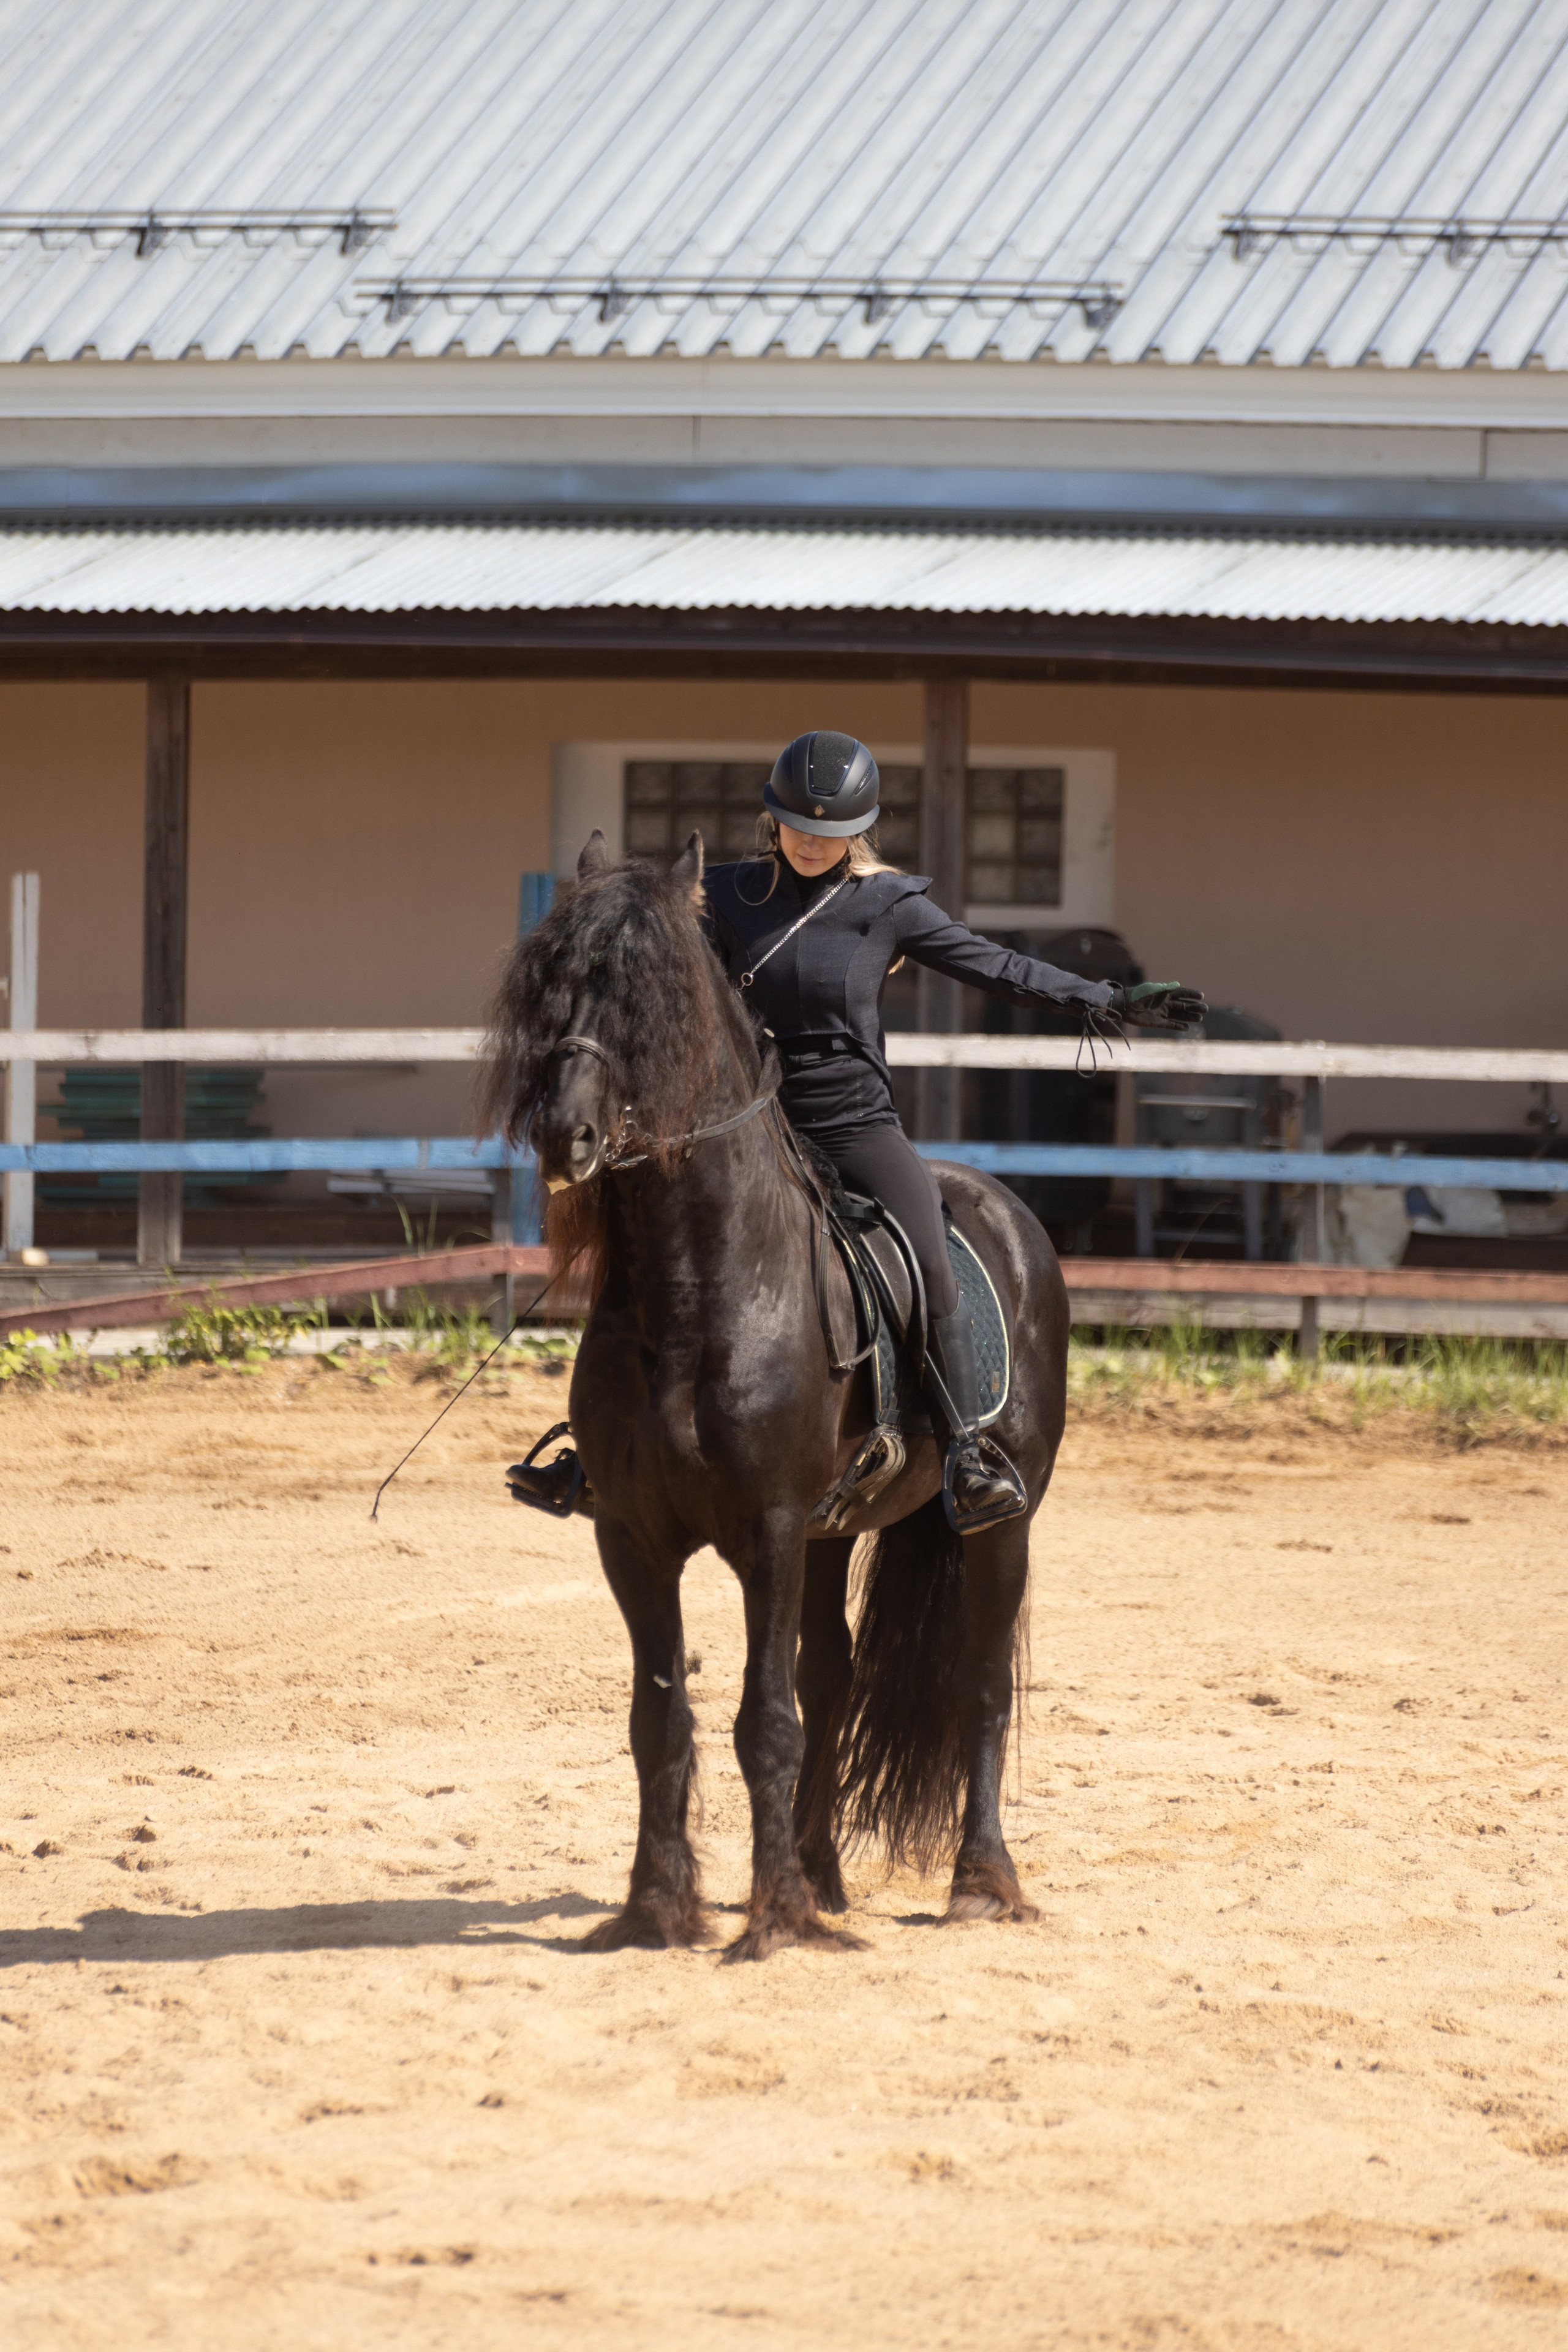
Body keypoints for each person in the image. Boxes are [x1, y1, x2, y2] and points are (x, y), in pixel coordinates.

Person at [703, 730, 1204, 1528]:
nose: (811, 841)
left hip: (853, 1127)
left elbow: (996, 965)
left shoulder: (888, 905)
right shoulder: (726, 896)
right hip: (750, 1128)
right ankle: (603, 1446)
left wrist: (1106, 997)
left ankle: (967, 1453)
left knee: (933, 1262)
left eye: (830, 832)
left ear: (857, 831)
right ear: (773, 820)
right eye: (798, 825)